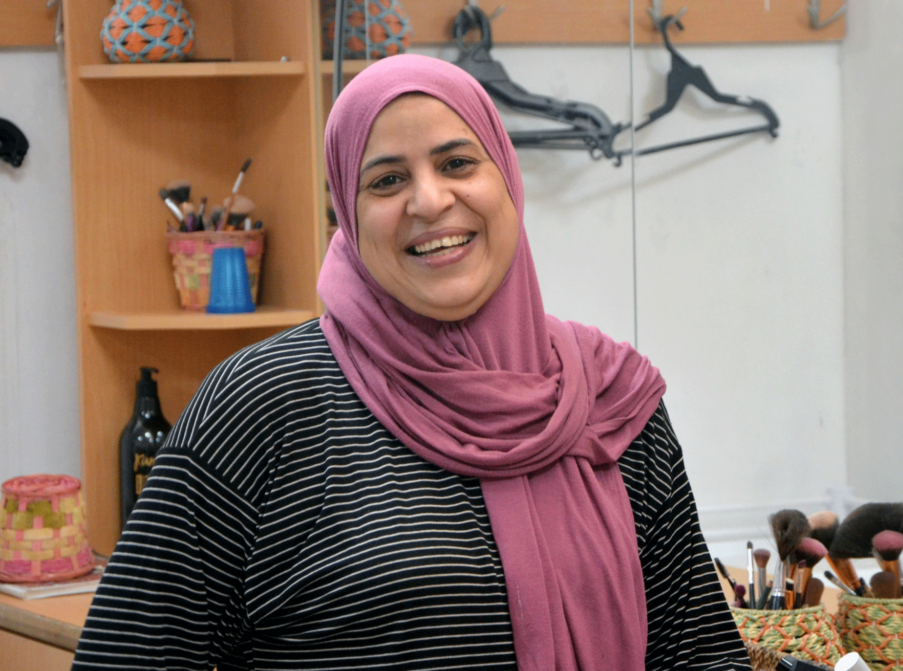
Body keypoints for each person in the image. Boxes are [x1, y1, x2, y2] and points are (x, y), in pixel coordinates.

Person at [71, 54, 750, 671]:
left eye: (457, 163)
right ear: (349, 215)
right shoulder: (262, 405)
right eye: (388, 179)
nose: (429, 201)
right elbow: (127, 656)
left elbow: (698, 656)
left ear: (507, 179)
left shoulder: (612, 403)